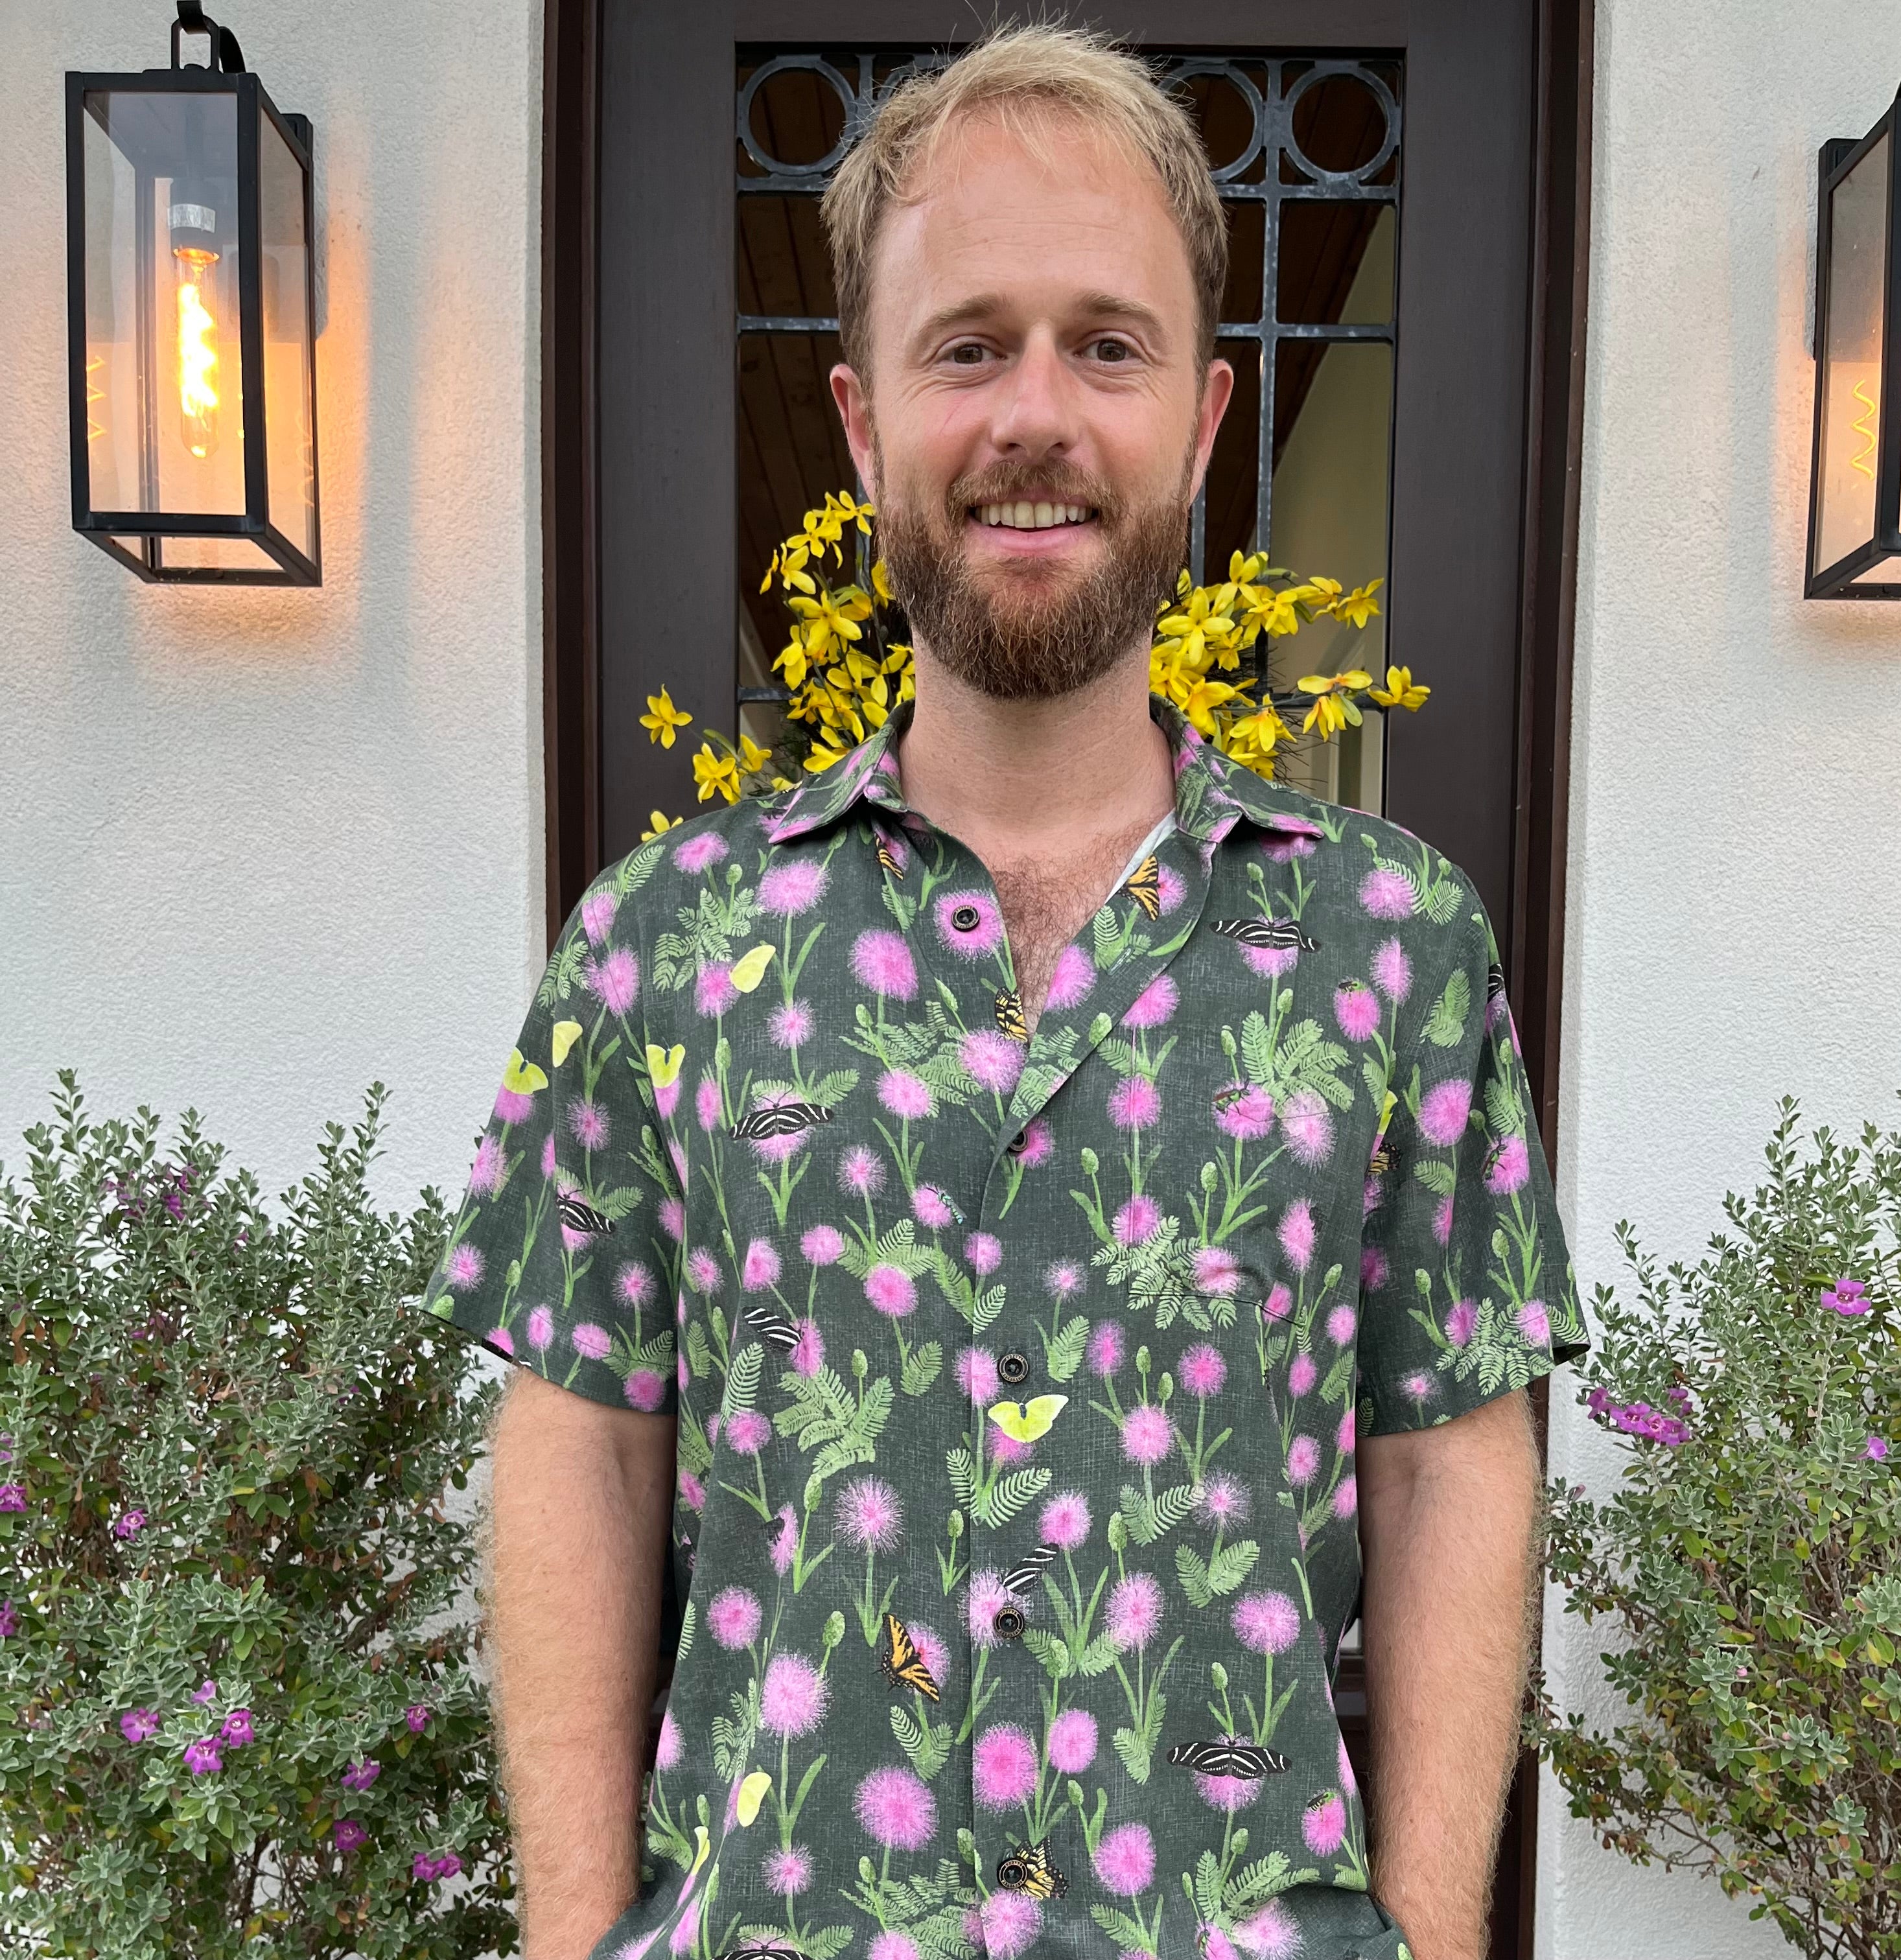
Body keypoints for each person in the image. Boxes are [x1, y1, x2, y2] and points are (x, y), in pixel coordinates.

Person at [424, 27, 1588, 1960]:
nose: (1035, 413)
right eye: (967, 346)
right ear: (868, 426)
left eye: (1105, 346)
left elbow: (1447, 1446)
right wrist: (568, 1930)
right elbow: (587, 1435)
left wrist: (1441, 1934)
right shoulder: (663, 943)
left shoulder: (1398, 943)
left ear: (1202, 426)